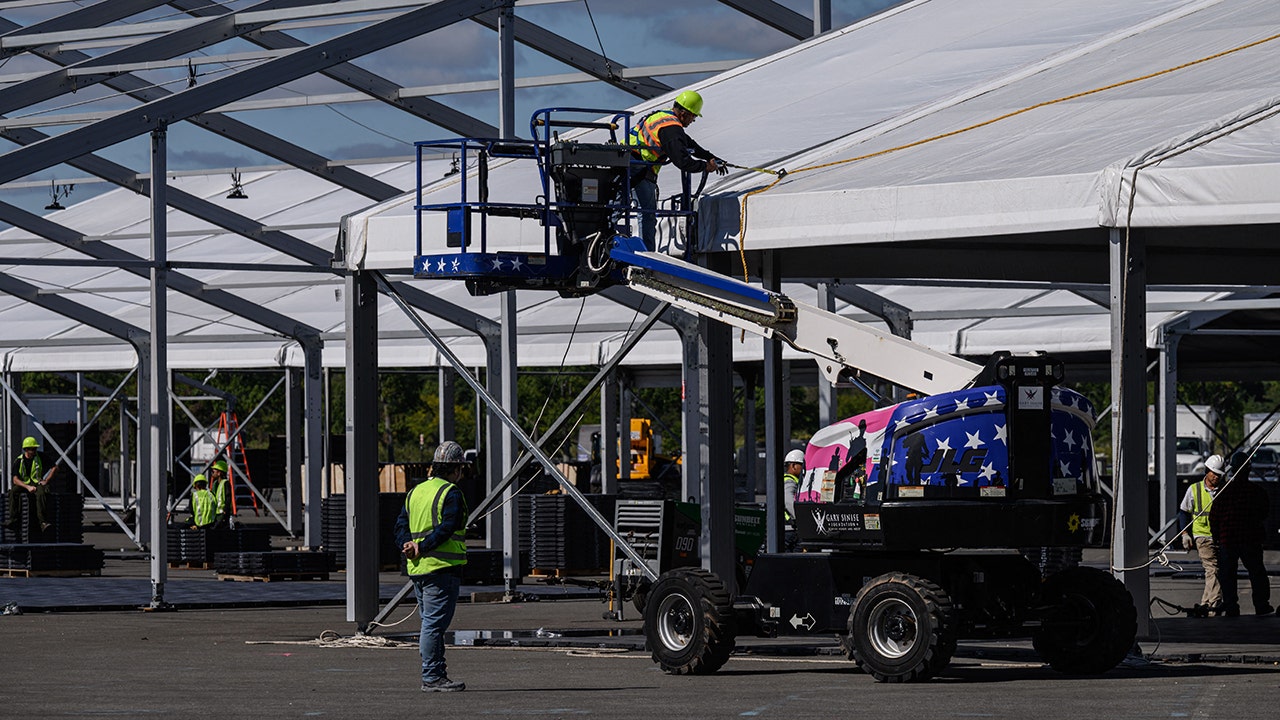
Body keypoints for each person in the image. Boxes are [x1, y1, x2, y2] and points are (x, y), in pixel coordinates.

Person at [394, 440, 471, 692]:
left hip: (418, 569)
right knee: (433, 625)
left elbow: (400, 526)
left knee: (430, 623)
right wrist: (424, 546)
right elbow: (448, 527)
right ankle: (432, 676)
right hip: (441, 567)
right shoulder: (451, 492)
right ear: (456, 469)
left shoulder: (415, 492)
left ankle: (436, 673)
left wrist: (408, 544)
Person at [627, 90, 727, 248]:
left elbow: (689, 143)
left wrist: (710, 156)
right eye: (693, 116)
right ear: (684, 113)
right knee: (647, 215)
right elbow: (682, 161)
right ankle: (647, 255)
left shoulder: (664, 117)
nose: (693, 120)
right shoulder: (671, 128)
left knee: (627, 211)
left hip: (628, 163)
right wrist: (705, 167)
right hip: (638, 168)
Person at [1209, 452, 1272, 617]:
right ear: (1248, 470)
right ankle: (1261, 605)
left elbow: (1213, 517)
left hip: (1227, 540)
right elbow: (1264, 513)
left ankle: (1231, 606)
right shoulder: (1257, 492)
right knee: (1257, 572)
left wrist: (1216, 536)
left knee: (1228, 574)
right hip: (1250, 539)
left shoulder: (1223, 493)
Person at [1176, 453, 1227, 613]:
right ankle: (1214, 604)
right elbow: (1183, 512)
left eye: (1219, 474)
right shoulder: (1194, 489)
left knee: (1215, 570)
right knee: (1212, 569)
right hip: (1202, 536)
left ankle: (1204, 604)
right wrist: (1185, 533)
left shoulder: (1225, 490)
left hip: (1221, 536)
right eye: (1214, 473)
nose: (1217, 477)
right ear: (1207, 471)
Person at [6, 436, 58, 534]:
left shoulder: (40, 457)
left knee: (41, 493)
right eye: (32, 449)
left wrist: (46, 480)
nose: (34, 451)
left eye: (35, 449)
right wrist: (27, 487)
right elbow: (15, 480)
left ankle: (43, 522)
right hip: (24, 484)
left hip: (37, 483)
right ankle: (13, 520)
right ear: (26, 449)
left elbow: (55, 467)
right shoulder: (19, 461)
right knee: (13, 492)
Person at [782, 449, 804, 551]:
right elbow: (788, 501)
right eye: (802, 466)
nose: (804, 469)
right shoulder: (789, 482)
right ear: (794, 466)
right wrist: (801, 518)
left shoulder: (788, 480)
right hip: (789, 530)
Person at [208, 459, 233, 528]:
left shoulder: (225, 483)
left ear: (219, 473)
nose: (212, 473)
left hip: (222, 514)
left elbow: (228, 497)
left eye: (214, 471)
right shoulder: (215, 484)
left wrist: (226, 510)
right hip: (216, 513)